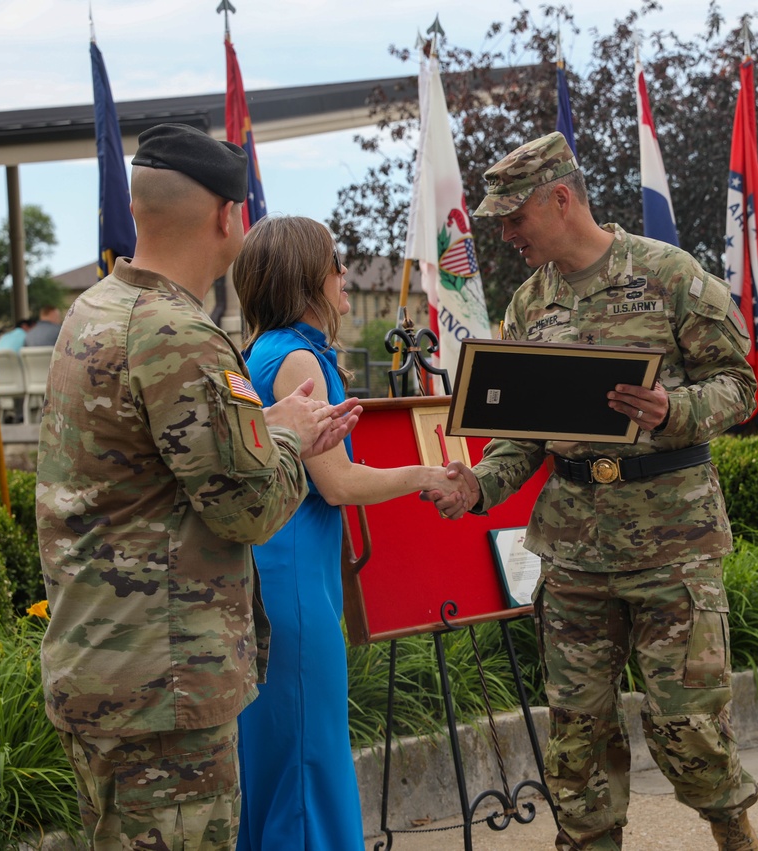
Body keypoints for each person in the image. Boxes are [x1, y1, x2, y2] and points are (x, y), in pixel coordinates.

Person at [428, 132, 758, 851]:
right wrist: (477, 485)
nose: (506, 233)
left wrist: (675, 410)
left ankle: (735, 834)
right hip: (575, 551)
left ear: (561, 198)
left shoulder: (669, 274)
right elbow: (519, 435)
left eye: (515, 217)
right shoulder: (527, 306)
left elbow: (739, 385)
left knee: (689, 726)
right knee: (577, 732)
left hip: (672, 545)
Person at [36, 124, 361, 850]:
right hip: (167, 684)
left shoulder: (94, 310)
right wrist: (292, 437)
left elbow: (155, 462)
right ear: (228, 216)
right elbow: (251, 508)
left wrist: (264, 422)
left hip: (99, 663)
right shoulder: (179, 334)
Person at [231, 215, 463, 850]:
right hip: (296, 583)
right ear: (307, 277)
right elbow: (337, 483)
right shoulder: (297, 357)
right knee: (308, 761)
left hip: (277, 572)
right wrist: (426, 473)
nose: (344, 275)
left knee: (281, 763)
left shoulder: (264, 351)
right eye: (335, 264)